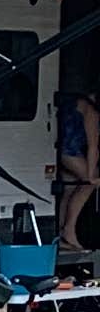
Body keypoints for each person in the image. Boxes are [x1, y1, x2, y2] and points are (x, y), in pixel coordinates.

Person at [59, 89, 100, 256]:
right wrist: (91, 175)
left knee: (69, 189)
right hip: (70, 152)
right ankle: (69, 231)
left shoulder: (75, 100)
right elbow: (93, 147)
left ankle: (60, 234)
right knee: (88, 183)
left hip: (57, 150)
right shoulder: (91, 111)